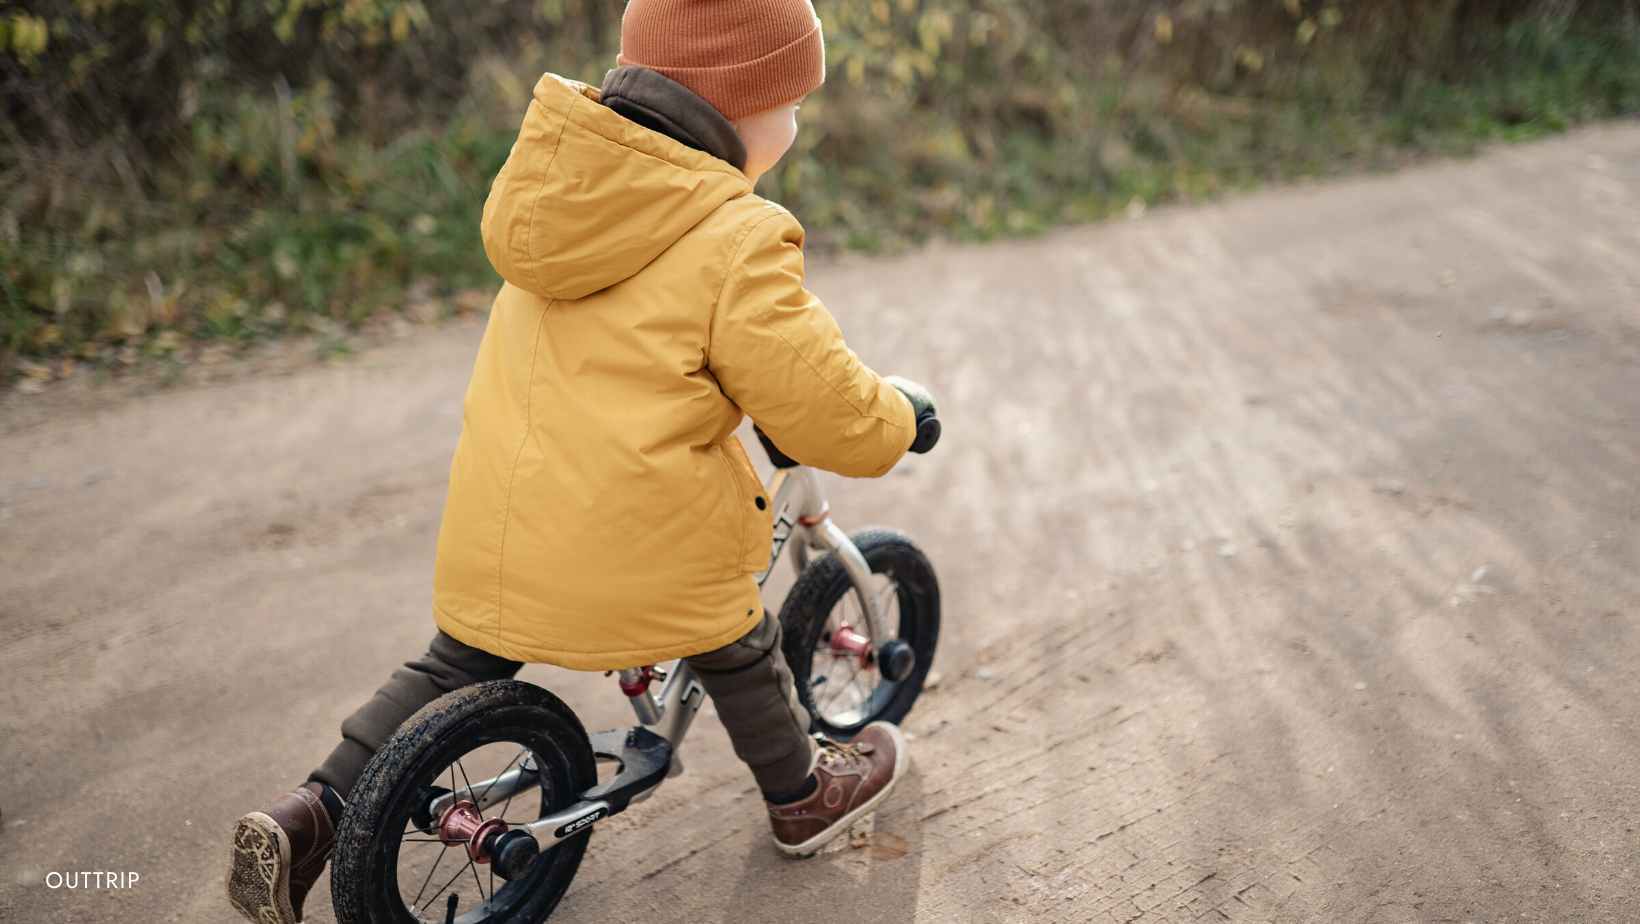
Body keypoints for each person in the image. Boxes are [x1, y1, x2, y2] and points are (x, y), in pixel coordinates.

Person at [225, 1, 938, 921]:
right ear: (737, 107)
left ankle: (312, 812)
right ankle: (803, 797)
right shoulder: (739, 236)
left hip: (507, 529)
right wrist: (897, 418)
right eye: (793, 103)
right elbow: (823, 403)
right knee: (734, 630)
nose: (798, 126)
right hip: (638, 551)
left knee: (454, 663)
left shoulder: (551, 195)